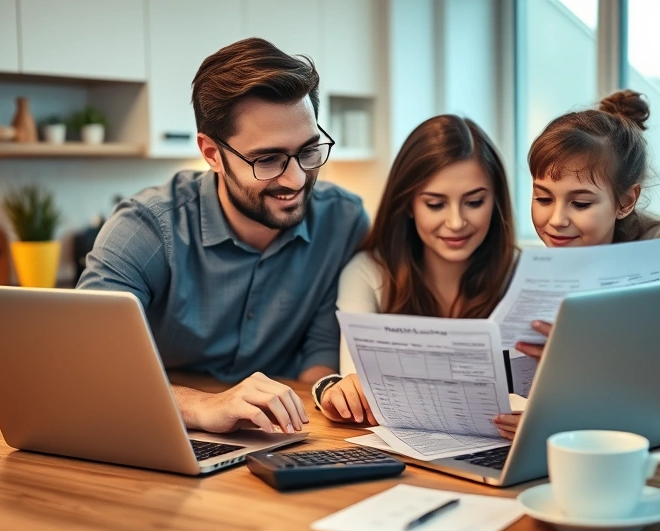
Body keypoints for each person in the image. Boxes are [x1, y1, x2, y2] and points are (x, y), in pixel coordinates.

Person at [78, 38, 369, 435]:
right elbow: (88, 364)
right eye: (268, 159)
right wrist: (202, 406)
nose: (296, 179)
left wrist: (329, 395)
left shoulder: (343, 220)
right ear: (212, 153)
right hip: (161, 427)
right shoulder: (147, 228)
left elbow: (319, 352)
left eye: (308, 151)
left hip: (281, 430)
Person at [492, 89, 660, 440]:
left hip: (634, 453)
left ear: (626, 201)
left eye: (581, 203)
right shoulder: (530, 266)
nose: (556, 220)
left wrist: (600, 355)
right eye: (543, 198)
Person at [310, 115, 517, 424]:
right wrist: (339, 391)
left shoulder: (519, 273)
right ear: (408, 204)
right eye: (435, 204)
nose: (456, 222)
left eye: (474, 202)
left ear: (495, 200)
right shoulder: (367, 274)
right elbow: (358, 389)